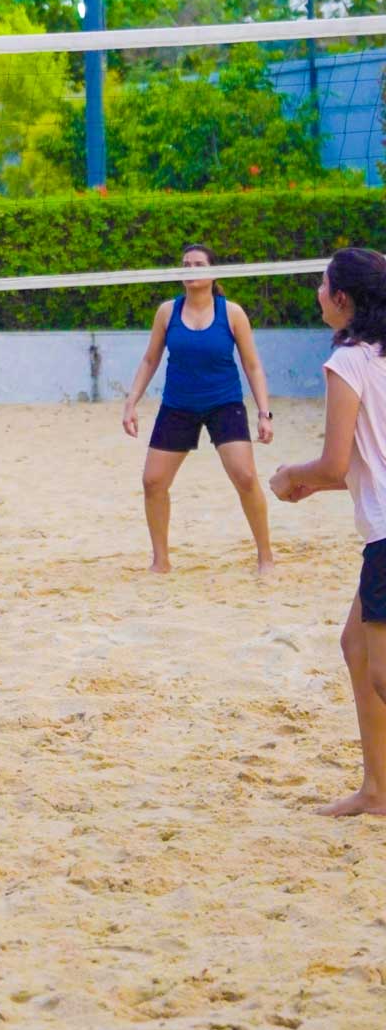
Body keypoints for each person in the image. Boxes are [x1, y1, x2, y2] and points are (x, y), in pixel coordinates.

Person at [270, 247, 386, 818]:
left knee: (383, 670)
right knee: (356, 648)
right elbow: (366, 466)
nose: (316, 293)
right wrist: (319, 485)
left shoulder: (348, 363)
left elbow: (337, 462)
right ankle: (378, 790)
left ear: (343, 300)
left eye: (322, 285)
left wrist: (295, 475)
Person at [122, 242, 275, 575]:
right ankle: (161, 561)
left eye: (197, 265)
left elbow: (252, 365)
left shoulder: (231, 313)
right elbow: (150, 359)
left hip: (224, 403)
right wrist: (131, 401)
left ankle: (265, 557)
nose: (190, 271)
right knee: (153, 481)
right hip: (179, 405)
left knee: (246, 477)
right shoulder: (167, 311)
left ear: (212, 272)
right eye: (185, 265)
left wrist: (264, 413)